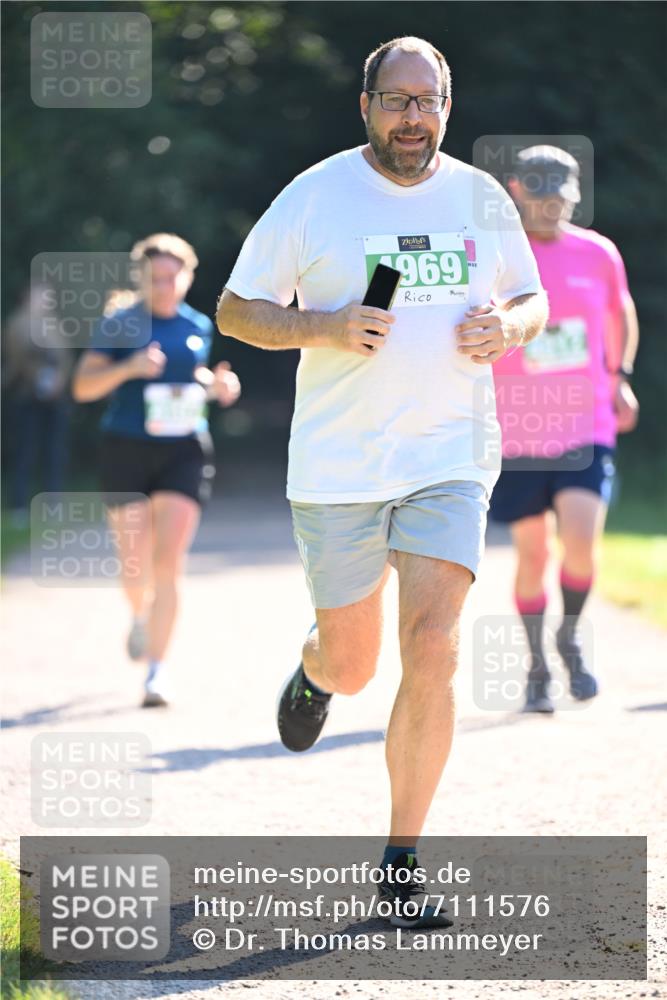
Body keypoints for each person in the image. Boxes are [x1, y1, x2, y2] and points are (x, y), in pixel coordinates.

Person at [217, 37, 547, 925]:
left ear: (447, 106)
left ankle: (402, 860)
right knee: (356, 663)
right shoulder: (314, 194)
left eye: (426, 101)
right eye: (395, 100)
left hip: (450, 456)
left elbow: (531, 297)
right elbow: (236, 310)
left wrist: (509, 327)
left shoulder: (479, 197)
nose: (412, 117)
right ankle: (315, 670)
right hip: (340, 464)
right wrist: (325, 326)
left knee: (434, 645)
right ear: (365, 105)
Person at [491, 146, 639, 713]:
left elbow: (619, 313)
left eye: (561, 197)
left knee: (580, 540)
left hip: (586, 420)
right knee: (533, 556)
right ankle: (536, 666)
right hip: (518, 429)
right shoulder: (498, 256)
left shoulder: (597, 253)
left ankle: (569, 635)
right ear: (517, 191)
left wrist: (619, 375)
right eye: (540, 196)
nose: (551, 207)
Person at [72, 233, 241, 707]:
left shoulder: (198, 325)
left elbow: (193, 378)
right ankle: (138, 615)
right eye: (155, 278)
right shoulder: (119, 324)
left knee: (168, 563)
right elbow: (83, 386)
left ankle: (156, 671)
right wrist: (127, 369)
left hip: (183, 450)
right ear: (141, 279)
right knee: (135, 564)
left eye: (172, 277)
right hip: (125, 449)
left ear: (188, 276)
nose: (164, 286)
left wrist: (219, 386)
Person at [3, 283, 72, 524]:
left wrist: (58, 382)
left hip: (55, 399)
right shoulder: (17, 324)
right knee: (25, 451)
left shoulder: (55, 325)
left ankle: (52, 504)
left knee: (55, 452)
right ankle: (19, 505)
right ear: (27, 298)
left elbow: (65, 358)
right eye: (40, 296)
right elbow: (17, 360)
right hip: (26, 396)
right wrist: (37, 379)